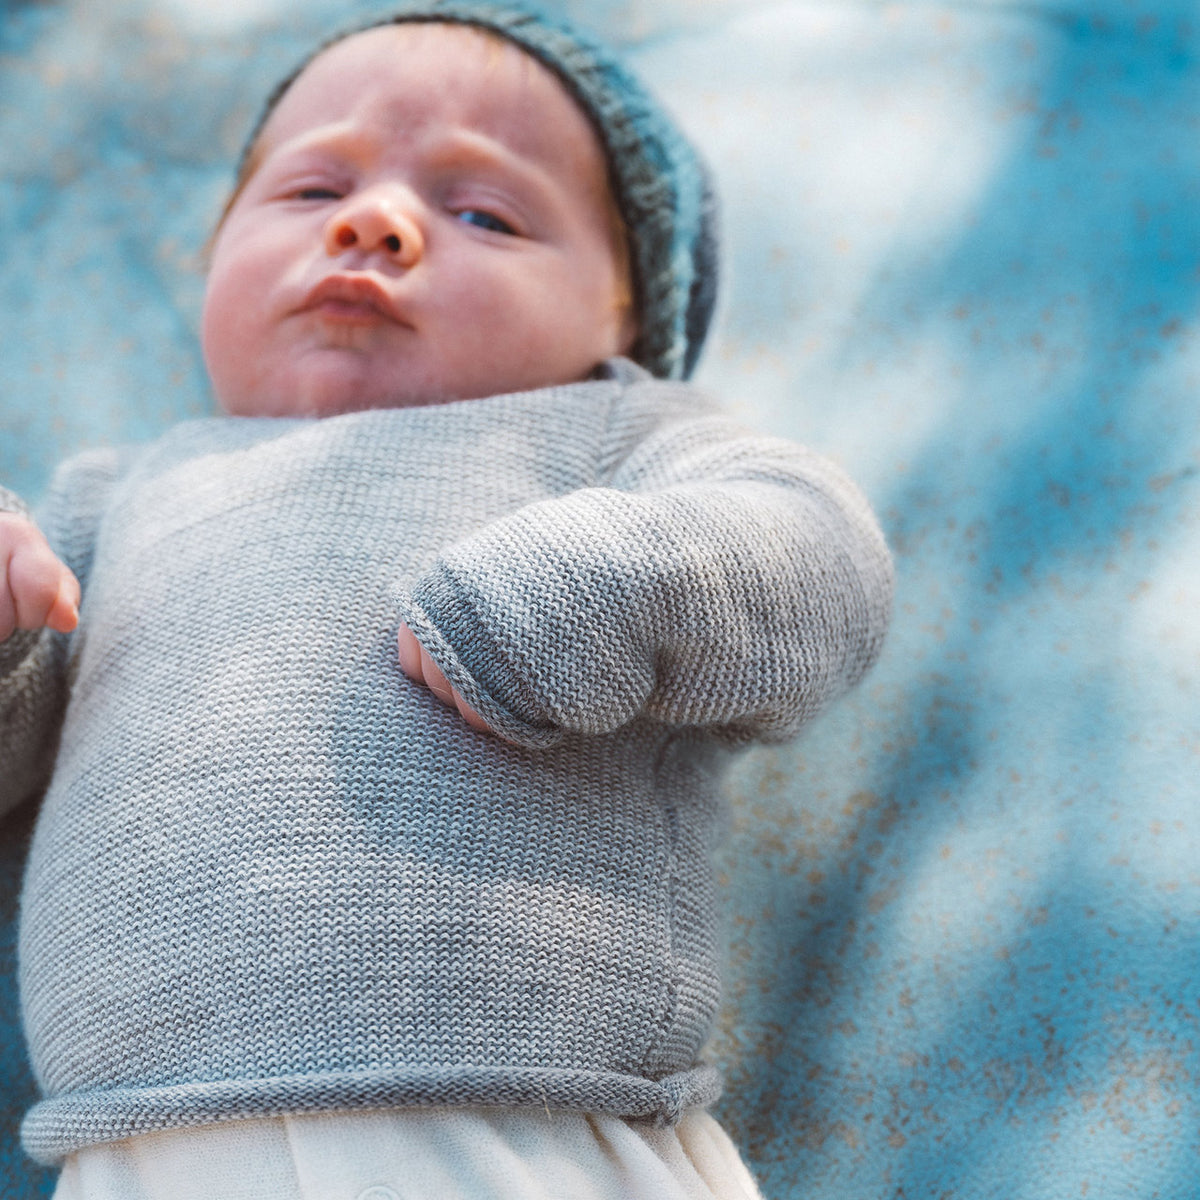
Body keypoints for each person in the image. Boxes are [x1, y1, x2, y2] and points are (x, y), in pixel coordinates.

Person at [0, 3, 894, 1197]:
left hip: (520, 1127)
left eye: (487, 213)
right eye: (313, 192)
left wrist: (601, 582)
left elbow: (817, 549)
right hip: (138, 1148)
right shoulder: (111, 497)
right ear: (217, 253)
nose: (377, 221)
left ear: (624, 324)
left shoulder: (614, 432)